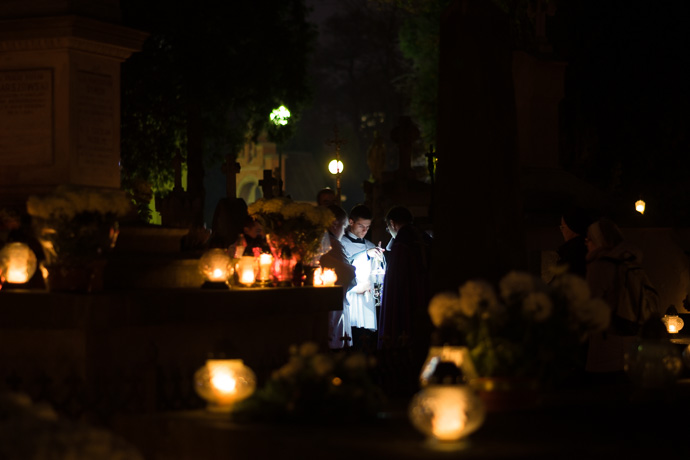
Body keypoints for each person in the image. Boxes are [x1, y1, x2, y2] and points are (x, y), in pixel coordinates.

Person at [584, 218, 642, 383]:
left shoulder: (601, 266)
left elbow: (589, 303)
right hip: (630, 338)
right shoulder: (631, 263)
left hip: (606, 341)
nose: (586, 243)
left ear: (598, 241)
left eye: (588, 239)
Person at [378, 206, 432, 351]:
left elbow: (394, 282)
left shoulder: (401, 243)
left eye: (388, 228)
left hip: (405, 300)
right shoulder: (423, 236)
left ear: (392, 223)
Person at [340, 204, 385, 348]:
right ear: (351, 222)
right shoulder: (340, 244)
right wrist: (365, 254)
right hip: (350, 301)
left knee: (366, 343)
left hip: (367, 303)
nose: (365, 230)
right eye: (361, 226)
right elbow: (343, 267)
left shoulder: (370, 245)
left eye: (368, 227)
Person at [319, 204, 356, 349]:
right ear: (335, 224)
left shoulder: (322, 240)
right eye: (344, 226)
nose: (345, 231)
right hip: (333, 303)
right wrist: (353, 270)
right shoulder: (332, 244)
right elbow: (347, 274)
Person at [556, 205, 593, 278]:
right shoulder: (589, 249)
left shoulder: (572, 254)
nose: (562, 231)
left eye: (562, 227)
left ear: (572, 227)